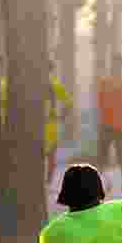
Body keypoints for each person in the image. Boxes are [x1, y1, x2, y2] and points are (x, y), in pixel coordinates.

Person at [97, 53, 122, 194]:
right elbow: (100, 102)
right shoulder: (105, 82)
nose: (116, 67)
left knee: (121, 155)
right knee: (104, 155)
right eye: (116, 64)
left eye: (118, 64)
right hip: (109, 124)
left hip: (118, 125)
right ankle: (106, 181)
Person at [45, 61, 74, 192]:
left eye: (48, 70)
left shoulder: (55, 86)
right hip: (40, 126)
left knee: (51, 155)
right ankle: (44, 182)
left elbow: (68, 102)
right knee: (44, 155)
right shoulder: (32, 86)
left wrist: (62, 116)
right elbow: (68, 102)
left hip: (51, 125)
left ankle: (47, 182)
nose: (47, 73)